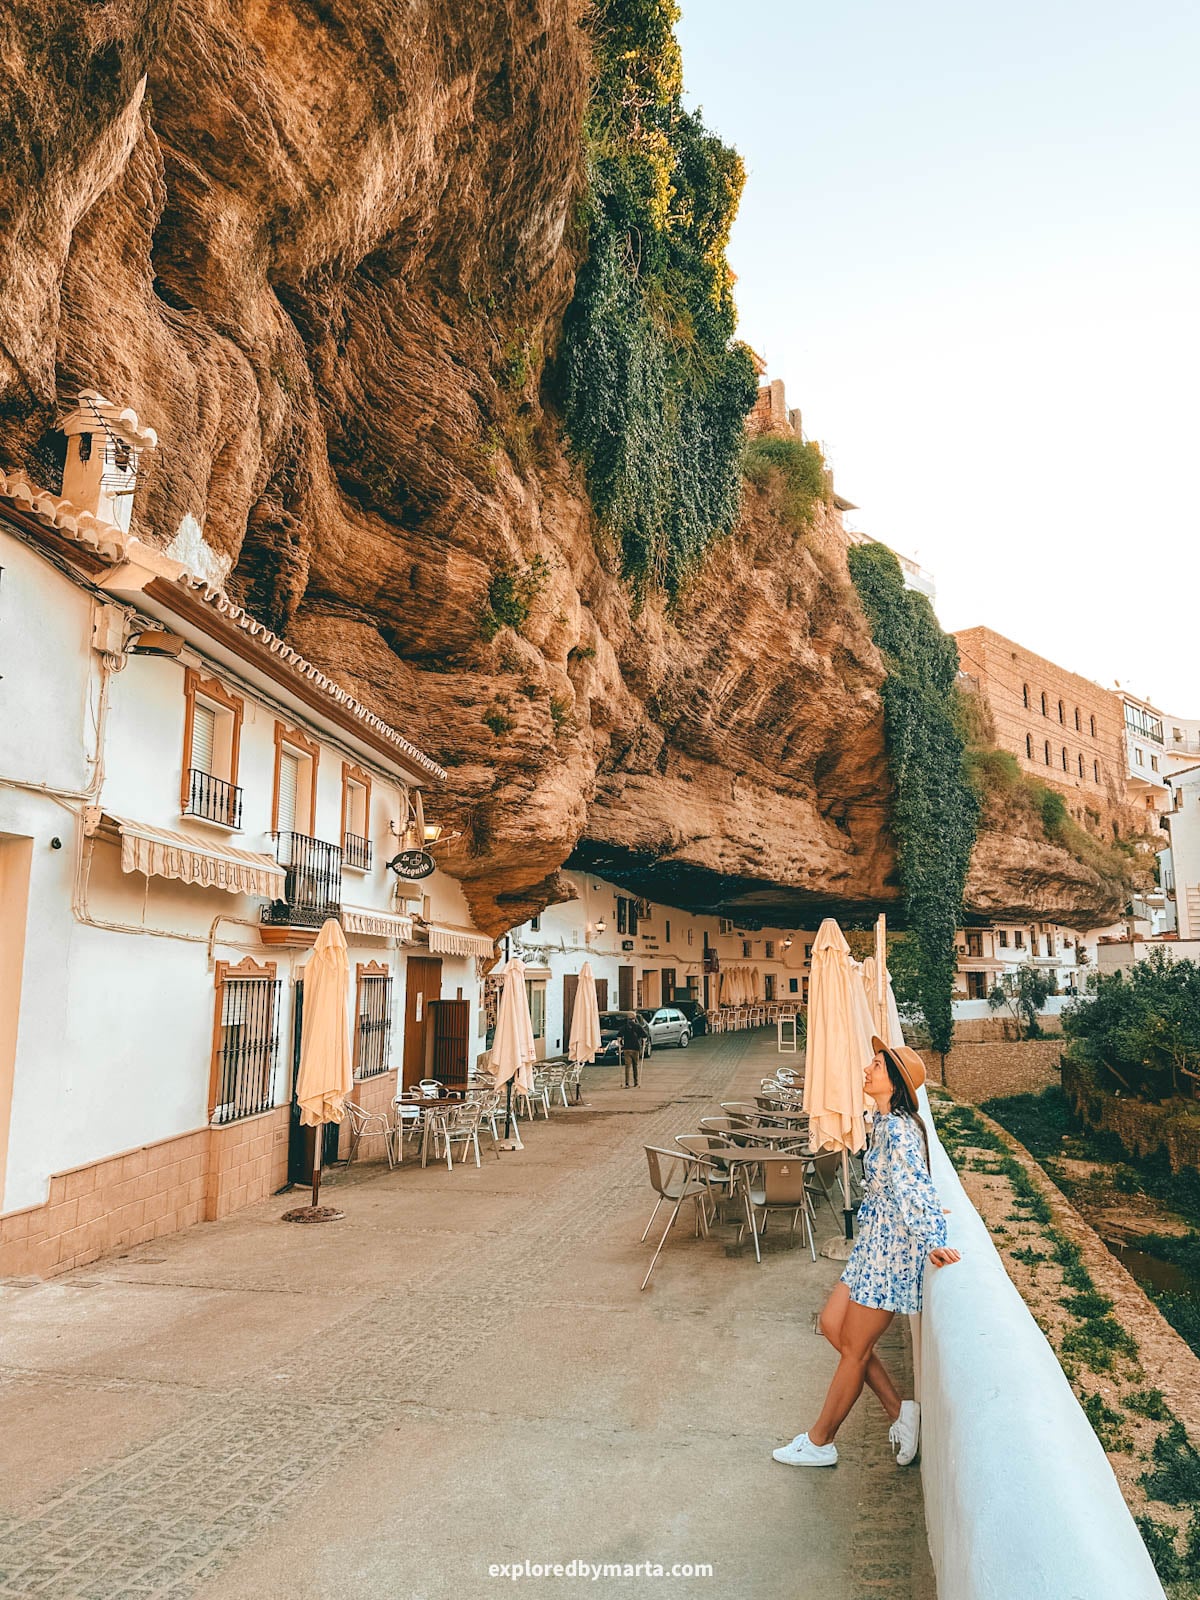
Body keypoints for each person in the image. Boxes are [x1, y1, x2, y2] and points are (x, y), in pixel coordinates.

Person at [773, 1035, 960, 1470]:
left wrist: (934, 1237)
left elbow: (912, 1183)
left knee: (854, 1348)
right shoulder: (882, 1122)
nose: (867, 1070)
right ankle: (901, 1411)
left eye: (876, 1066)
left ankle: (821, 1441)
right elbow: (905, 1182)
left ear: (892, 1083)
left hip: (891, 1253)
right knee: (832, 1325)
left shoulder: (897, 1129)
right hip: (872, 1245)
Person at [618, 1013, 646, 1087]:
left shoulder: (624, 1027)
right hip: (635, 1049)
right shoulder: (638, 1026)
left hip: (627, 1048)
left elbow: (619, 1035)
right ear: (634, 1018)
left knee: (627, 1066)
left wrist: (620, 1042)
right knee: (635, 1066)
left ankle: (627, 1083)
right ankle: (636, 1082)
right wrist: (643, 1040)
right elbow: (644, 1035)